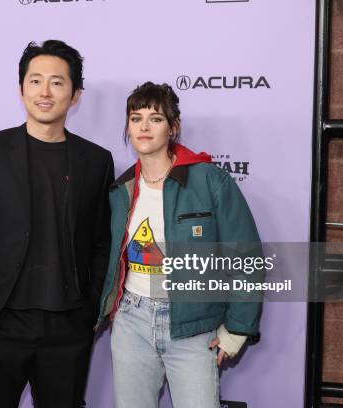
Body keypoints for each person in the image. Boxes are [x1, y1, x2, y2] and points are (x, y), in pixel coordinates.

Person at [0, 40, 114, 408]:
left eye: (57, 82)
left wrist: (92, 307)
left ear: (75, 95)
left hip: (68, 327)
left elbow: (103, 242)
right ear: (21, 89)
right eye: (35, 80)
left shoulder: (97, 161)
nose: (45, 91)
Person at [97, 82, 263, 408]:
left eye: (155, 118)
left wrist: (238, 329)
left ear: (173, 127)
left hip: (193, 327)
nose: (144, 127)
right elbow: (108, 259)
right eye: (136, 117)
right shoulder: (120, 190)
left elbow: (245, 255)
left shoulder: (210, 181)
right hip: (132, 322)